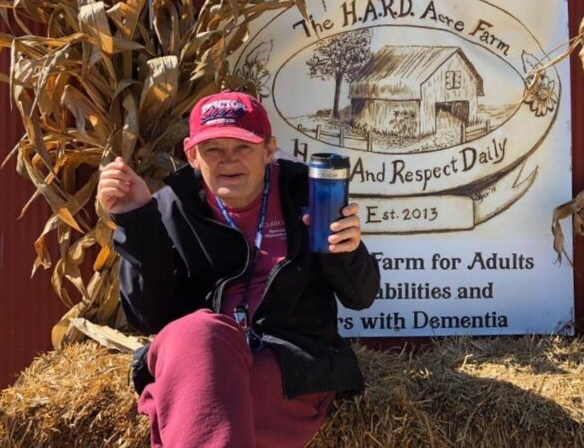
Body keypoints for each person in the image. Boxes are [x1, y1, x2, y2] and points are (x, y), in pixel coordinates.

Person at [97, 90, 381, 447]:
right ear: (192, 155)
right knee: (201, 335)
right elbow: (148, 317)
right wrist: (136, 220)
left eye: (243, 147)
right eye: (213, 149)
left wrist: (348, 251)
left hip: (285, 367)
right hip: (198, 358)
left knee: (210, 398)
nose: (228, 160)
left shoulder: (308, 197)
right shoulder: (171, 207)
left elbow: (361, 295)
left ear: (268, 150)